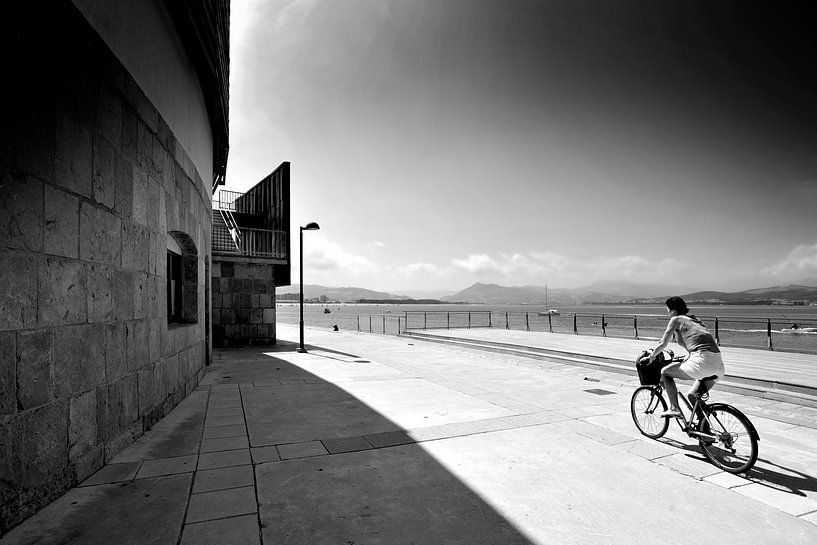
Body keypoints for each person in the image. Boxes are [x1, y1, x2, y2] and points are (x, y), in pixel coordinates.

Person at [648, 296, 725, 418]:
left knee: (665, 373)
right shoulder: (696, 320)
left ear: (673, 310)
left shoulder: (676, 319)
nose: (668, 313)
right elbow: (695, 344)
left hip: (701, 362)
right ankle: (706, 430)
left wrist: (652, 356)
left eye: (668, 310)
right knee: (692, 396)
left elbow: (663, 343)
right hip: (718, 366)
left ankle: (674, 408)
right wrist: (686, 357)